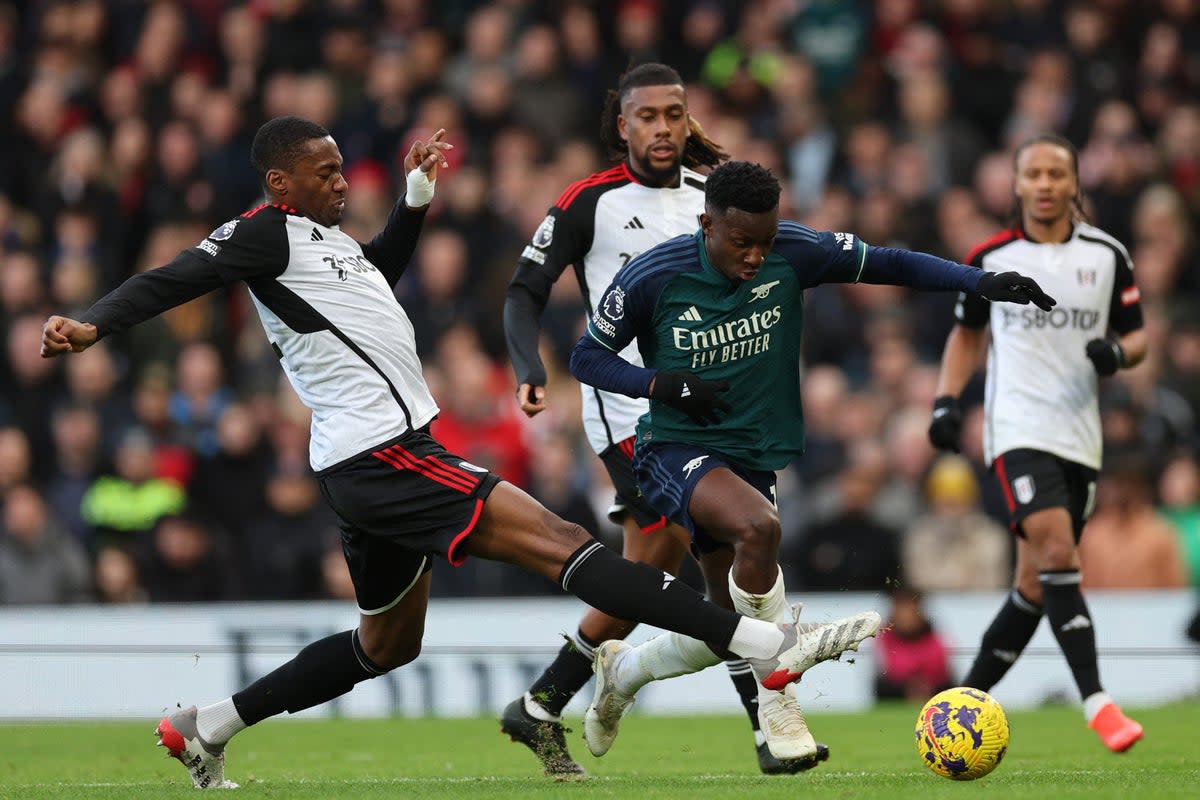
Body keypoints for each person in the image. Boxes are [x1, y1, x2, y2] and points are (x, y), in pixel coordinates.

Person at [39, 116, 879, 790]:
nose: (341, 182)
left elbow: (374, 278)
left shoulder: (323, 246)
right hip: (385, 456)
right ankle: (763, 646)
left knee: (384, 647)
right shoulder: (263, 234)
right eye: (326, 174)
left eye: (342, 170)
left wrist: (412, 201)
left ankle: (205, 727)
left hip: (369, 464)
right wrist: (94, 324)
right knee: (564, 543)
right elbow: (179, 274)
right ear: (279, 183)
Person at [568, 159, 1054, 764]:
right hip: (675, 449)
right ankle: (781, 710)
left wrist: (977, 281)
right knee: (760, 527)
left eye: (765, 242)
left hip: (753, 457)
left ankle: (626, 672)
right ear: (707, 224)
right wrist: (660, 383)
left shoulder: (794, 251)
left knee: (726, 628)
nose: (755, 256)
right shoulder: (654, 275)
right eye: (741, 242)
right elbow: (586, 358)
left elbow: (891, 263)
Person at [503, 62, 811, 777]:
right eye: (647, 117)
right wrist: (529, 364)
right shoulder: (591, 201)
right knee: (697, 548)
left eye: (674, 114)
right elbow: (524, 290)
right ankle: (768, 727)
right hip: (629, 414)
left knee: (670, 570)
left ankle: (544, 702)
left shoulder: (715, 196)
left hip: (711, 418)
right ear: (623, 124)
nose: (662, 128)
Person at [927, 134, 1148, 753]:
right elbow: (967, 335)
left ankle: (954, 708)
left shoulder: (1108, 256)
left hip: (1081, 436)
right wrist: (946, 400)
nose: (1046, 184)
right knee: (1055, 546)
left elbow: (1139, 337)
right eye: (1035, 174)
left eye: (1058, 173)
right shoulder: (992, 255)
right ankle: (1099, 703)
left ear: (1075, 183)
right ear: (1017, 185)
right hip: (1017, 428)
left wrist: (1116, 353)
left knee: (1035, 582)